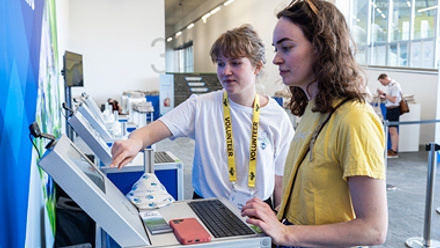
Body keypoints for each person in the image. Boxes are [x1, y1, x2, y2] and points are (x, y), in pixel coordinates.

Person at [240, 1, 388, 247]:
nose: (276, 59)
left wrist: (286, 232)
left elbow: (373, 230)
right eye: (276, 48)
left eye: (286, 47)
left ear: (322, 46)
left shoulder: (355, 119)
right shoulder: (313, 109)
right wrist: (275, 217)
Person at [110, 24, 294, 210]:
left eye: (236, 63)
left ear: (257, 67)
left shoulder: (277, 117)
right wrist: (134, 142)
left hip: (258, 210)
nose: (226, 71)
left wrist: (278, 226)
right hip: (207, 208)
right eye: (221, 63)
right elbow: (149, 133)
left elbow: (280, 181)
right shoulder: (200, 106)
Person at [377, 73, 402, 158]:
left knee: (393, 131)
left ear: (385, 78)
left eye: (382, 82)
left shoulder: (395, 86)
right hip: (390, 109)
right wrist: (384, 97)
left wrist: (384, 94)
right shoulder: (391, 86)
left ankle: (394, 151)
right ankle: (392, 150)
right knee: (391, 130)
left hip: (394, 110)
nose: (382, 84)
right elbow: (391, 98)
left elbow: (394, 100)